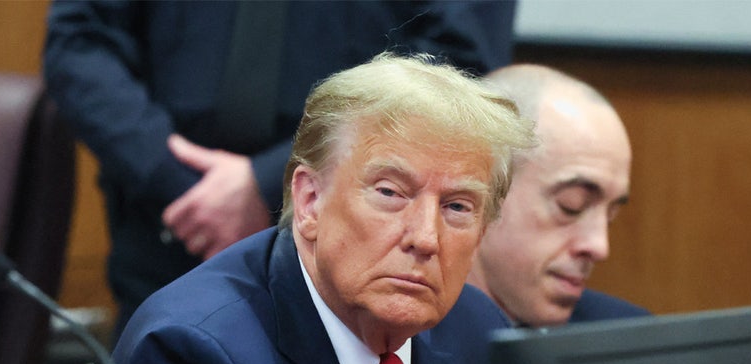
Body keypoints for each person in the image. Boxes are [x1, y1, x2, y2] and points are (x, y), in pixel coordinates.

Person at [53, 53, 535, 364]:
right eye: (390, 193)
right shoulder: (197, 357)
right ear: (309, 202)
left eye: (457, 207)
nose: (426, 238)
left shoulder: (475, 331)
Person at [42, 0, 519, 338]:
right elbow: (80, 43)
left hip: (365, 228)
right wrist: (181, 182)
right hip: (169, 223)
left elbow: (455, 65)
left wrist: (270, 181)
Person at [467, 64, 649, 326]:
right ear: (480, 186)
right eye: (571, 206)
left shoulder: (626, 340)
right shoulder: (406, 345)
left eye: (610, 217)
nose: (599, 247)